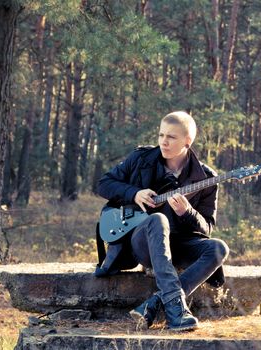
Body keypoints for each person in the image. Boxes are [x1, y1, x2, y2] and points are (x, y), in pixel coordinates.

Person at [96, 111, 230, 331]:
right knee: (157, 219)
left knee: (218, 248)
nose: (163, 142)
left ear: (188, 141)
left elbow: (206, 228)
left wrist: (187, 212)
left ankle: (157, 303)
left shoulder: (206, 178)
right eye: (161, 135)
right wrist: (134, 193)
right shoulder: (140, 159)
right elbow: (104, 184)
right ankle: (177, 312)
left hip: (178, 244)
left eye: (171, 137)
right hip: (142, 243)